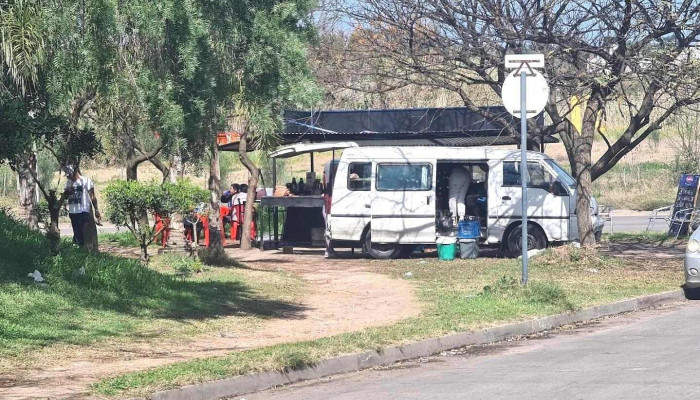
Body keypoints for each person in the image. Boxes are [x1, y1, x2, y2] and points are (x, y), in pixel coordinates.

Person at [63, 165, 100, 251]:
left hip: (83, 211)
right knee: (77, 235)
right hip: (73, 212)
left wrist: (96, 210)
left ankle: (89, 251)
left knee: (86, 234)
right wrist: (68, 192)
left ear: (75, 173)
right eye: (67, 175)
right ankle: (80, 251)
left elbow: (93, 197)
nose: (68, 177)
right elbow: (65, 196)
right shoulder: (69, 182)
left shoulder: (86, 181)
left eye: (69, 175)